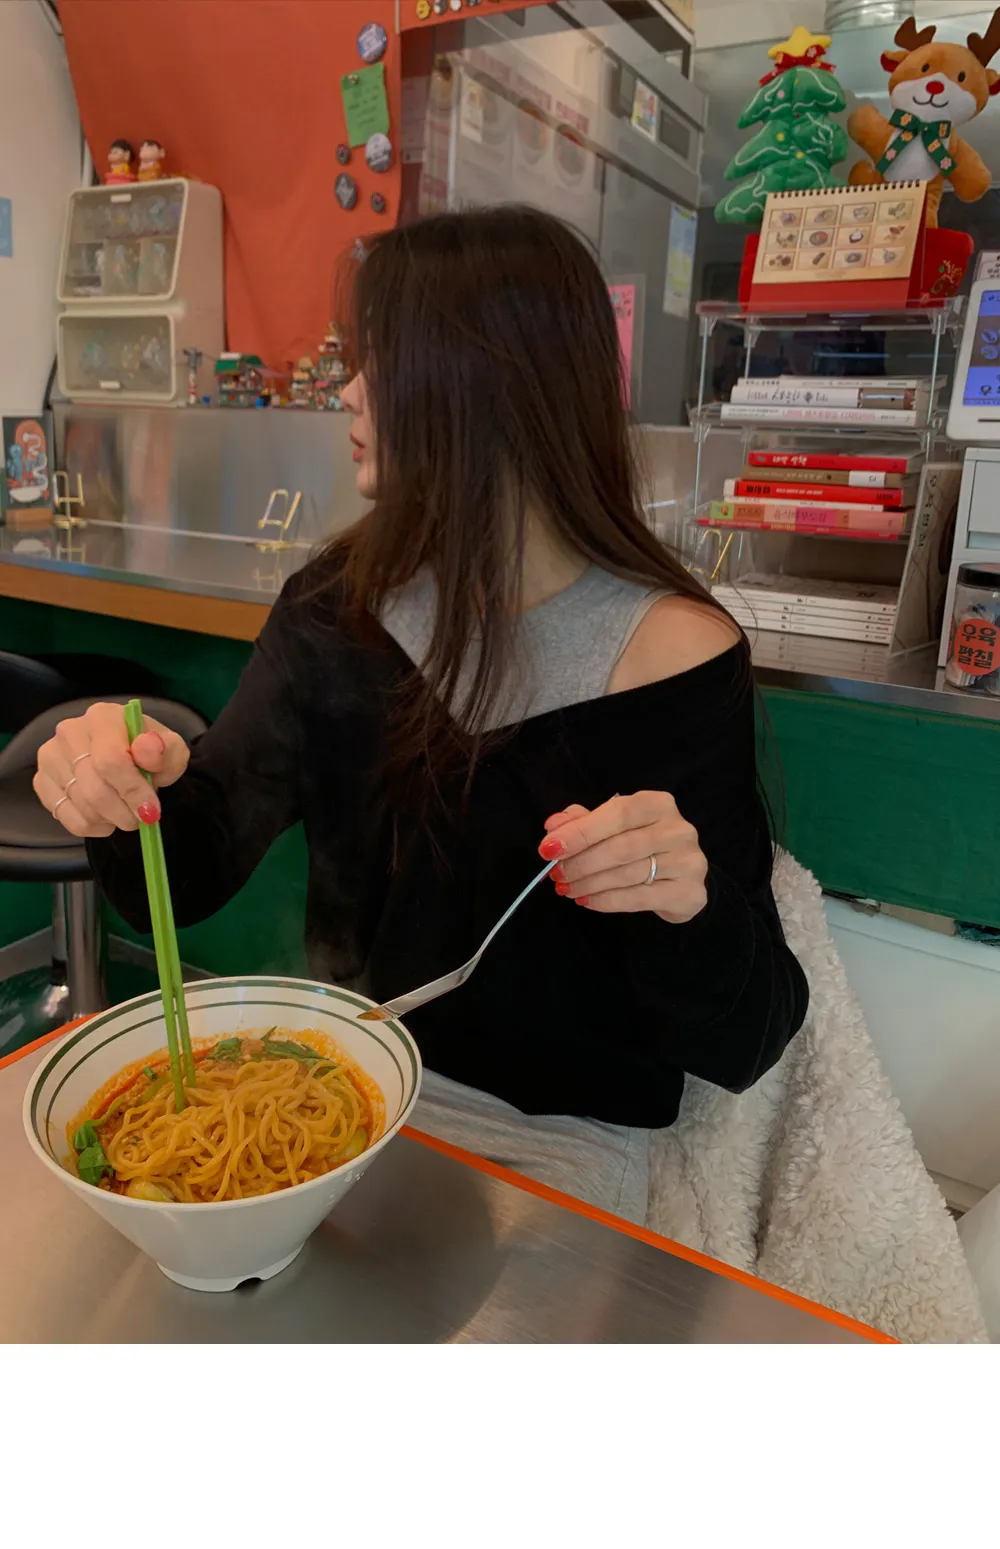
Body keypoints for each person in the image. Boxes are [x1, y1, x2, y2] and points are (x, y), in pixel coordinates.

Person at [33, 206, 808, 1226]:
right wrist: (119, 787)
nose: (347, 392)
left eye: (379, 361)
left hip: (566, 1148)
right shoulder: (336, 606)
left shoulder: (678, 657)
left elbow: (749, 1035)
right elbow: (184, 873)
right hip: (343, 1094)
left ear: (488, 385)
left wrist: (682, 902)